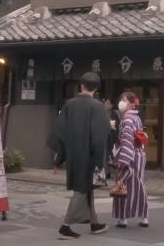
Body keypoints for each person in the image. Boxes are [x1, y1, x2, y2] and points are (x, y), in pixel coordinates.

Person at [53, 72, 111, 239]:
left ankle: (94, 223)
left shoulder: (69, 105)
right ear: (96, 88)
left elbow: (60, 133)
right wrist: (100, 161)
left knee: (88, 189)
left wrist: (59, 158)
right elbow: (100, 137)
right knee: (82, 189)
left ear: (81, 86)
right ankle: (65, 226)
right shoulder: (98, 106)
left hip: (73, 155)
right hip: (90, 156)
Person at [113, 92, 149, 229]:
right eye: (121, 99)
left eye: (124, 100)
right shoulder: (137, 117)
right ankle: (144, 217)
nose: (121, 102)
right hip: (139, 155)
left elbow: (127, 139)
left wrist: (124, 159)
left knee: (122, 186)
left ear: (132, 103)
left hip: (130, 155)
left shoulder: (127, 118)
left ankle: (123, 218)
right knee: (139, 185)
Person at [103, 99, 121, 179]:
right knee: (105, 156)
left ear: (111, 105)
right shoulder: (101, 113)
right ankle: (106, 173)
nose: (105, 105)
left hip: (112, 137)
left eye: (107, 103)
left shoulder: (115, 114)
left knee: (113, 156)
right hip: (103, 137)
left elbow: (117, 127)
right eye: (105, 103)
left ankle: (116, 173)